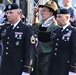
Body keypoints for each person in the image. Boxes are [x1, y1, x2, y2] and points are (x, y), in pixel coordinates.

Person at [0, 3, 36, 75]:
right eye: (7, 13)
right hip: (5, 67)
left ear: (18, 13)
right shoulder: (5, 28)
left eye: (11, 12)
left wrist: (27, 69)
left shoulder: (26, 29)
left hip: (18, 67)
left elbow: (30, 51)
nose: (8, 15)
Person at [32, 0, 58, 75]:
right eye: (41, 10)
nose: (42, 13)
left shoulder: (54, 26)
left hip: (48, 57)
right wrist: (35, 14)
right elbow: (34, 26)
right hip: (40, 56)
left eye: (44, 11)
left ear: (52, 13)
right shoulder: (44, 24)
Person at [48, 8, 76, 75]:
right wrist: (44, 25)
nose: (57, 19)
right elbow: (42, 38)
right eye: (56, 16)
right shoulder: (56, 31)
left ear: (67, 17)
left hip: (65, 67)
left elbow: (75, 52)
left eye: (59, 16)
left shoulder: (73, 31)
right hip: (54, 66)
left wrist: (73, 69)